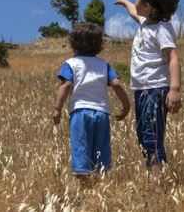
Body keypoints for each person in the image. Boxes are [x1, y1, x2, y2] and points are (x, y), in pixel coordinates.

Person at [115, 0, 182, 190]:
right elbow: (134, 12)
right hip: (141, 90)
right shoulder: (146, 22)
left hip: (156, 89)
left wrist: (174, 89)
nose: (136, 2)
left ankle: (157, 184)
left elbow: (173, 58)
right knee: (143, 137)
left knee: (152, 137)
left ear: (152, 6)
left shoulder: (162, 30)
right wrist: (123, 1)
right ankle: (153, 178)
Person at [52, 22, 130, 186]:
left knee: (82, 154)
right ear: (99, 45)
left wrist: (57, 109)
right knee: (101, 157)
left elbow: (66, 86)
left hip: (80, 114)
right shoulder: (104, 64)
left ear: (74, 44)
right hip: (101, 114)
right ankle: (100, 188)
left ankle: (86, 188)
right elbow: (116, 84)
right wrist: (126, 104)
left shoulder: (70, 64)